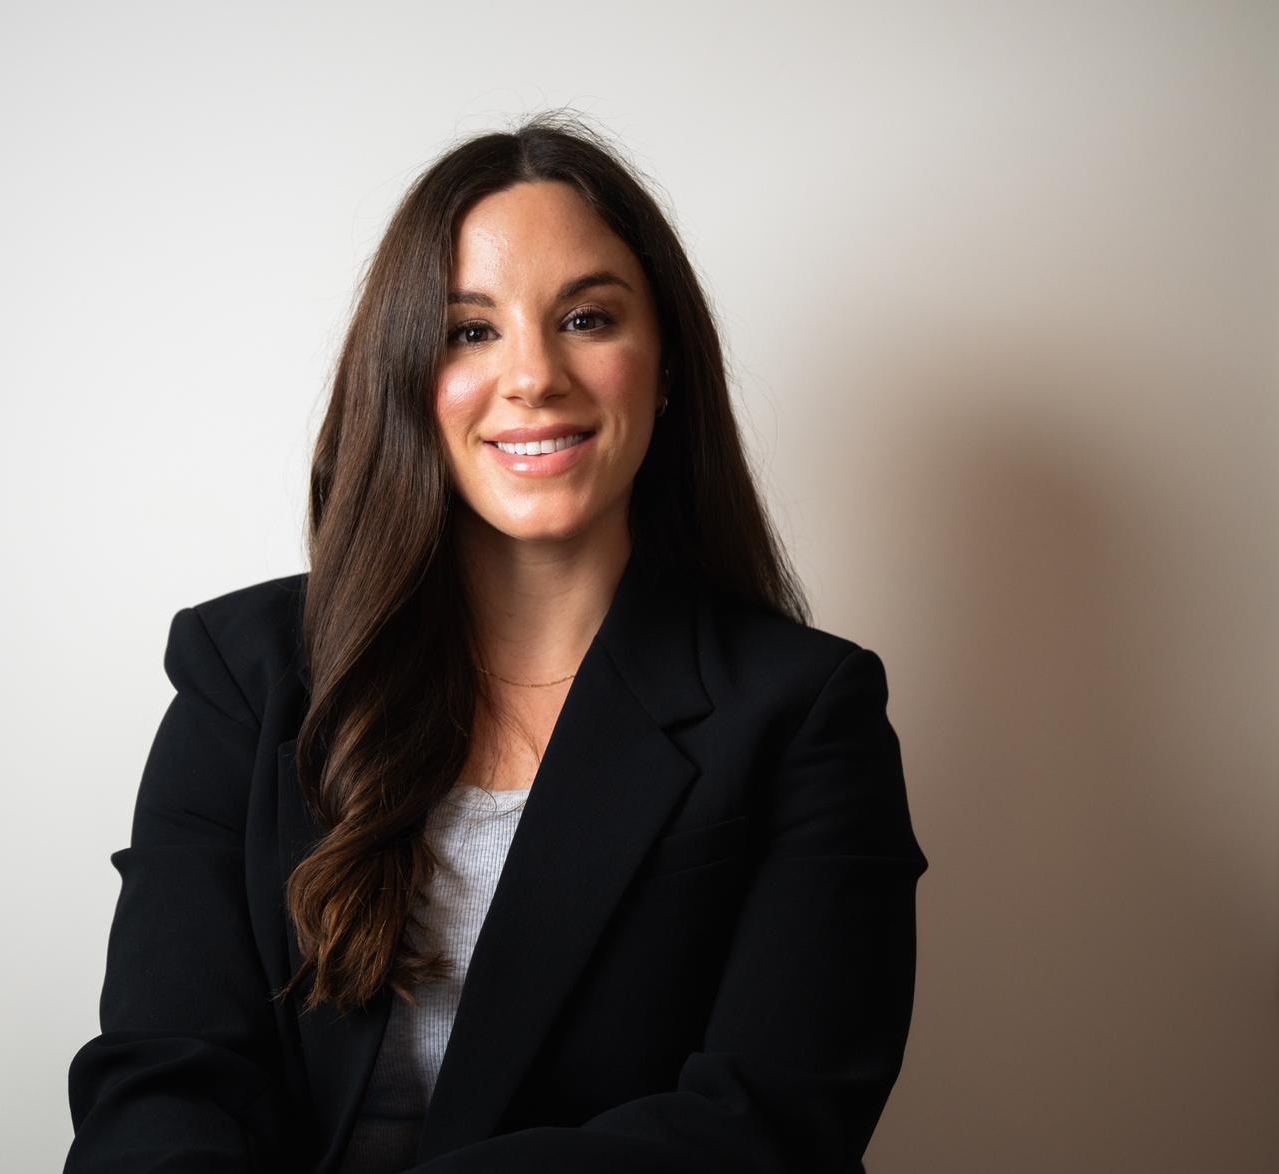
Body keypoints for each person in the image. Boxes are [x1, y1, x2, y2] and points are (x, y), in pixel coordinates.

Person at [63, 112, 929, 1174]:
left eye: (586, 319)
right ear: (407, 378)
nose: (532, 376)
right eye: (470, 329)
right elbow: (164, 1074)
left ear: (663, 368)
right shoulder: (241, 673)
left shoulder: (805, 713)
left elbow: (766, 1129)